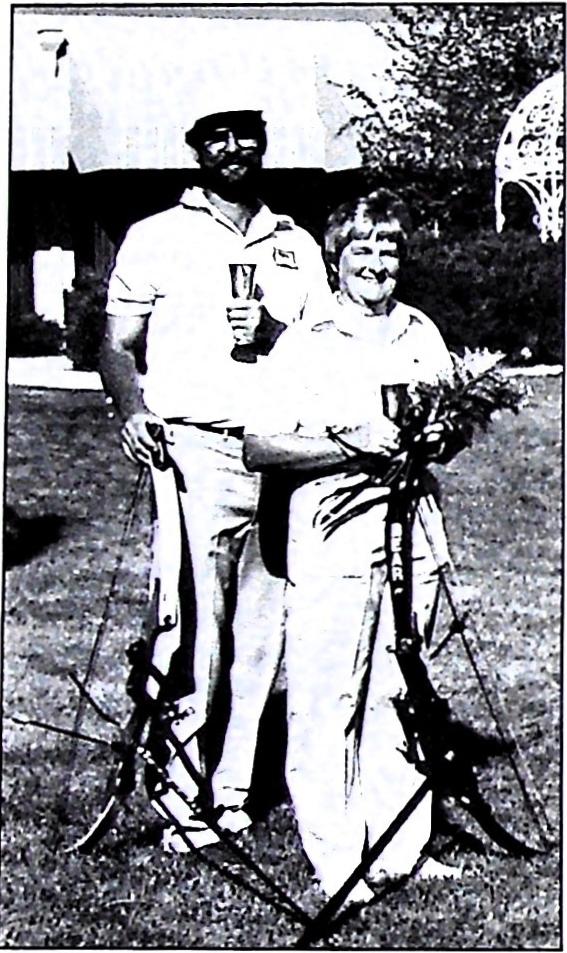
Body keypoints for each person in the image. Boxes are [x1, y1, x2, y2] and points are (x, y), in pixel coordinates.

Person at [99, 108, 330, 852]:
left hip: (279, 454)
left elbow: (327, 350)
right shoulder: (156, 235)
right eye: (216, 137)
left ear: (263, 142)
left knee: (263, 633)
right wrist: (134, 410)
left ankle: (231, 790)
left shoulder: (295, 242)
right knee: (194, 627)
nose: (234, 149)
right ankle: (179, 793)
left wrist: (274, 334)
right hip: (194, 450)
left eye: (245, 134)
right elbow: (118, 345)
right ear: (196, 148)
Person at [244, 190, 464, 903]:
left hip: (410, 530)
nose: (375, 263)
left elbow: (447, 426)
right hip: (333, 532)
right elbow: (259, 446)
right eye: (360, 249)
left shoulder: (419, 331)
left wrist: (442, 436)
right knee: (328, 691)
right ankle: (339, 858)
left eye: (388, 249)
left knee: (397, 687)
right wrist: (349, 443)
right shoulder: (306, 340)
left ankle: (401, 847)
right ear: (334, 259)